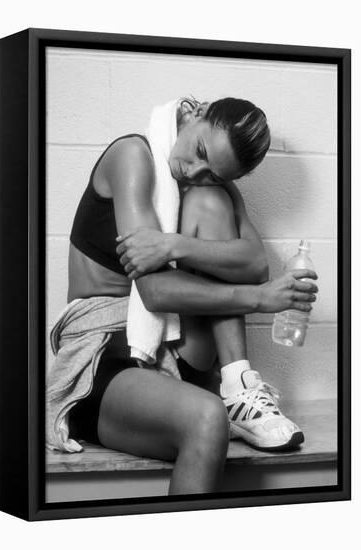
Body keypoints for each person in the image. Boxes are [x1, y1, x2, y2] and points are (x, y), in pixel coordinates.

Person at [64, 96, 318, 495]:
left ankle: (239, 384)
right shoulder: (133, 155)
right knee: (207, 416)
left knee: (209, 200)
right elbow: (154, 292)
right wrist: (260, 299)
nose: (194, 170)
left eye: (213, 172)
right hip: (107, 361)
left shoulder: (211, 186)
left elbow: (256, 265)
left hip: (175, 354)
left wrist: (172, 246)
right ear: (195, 112)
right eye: (200, 151)